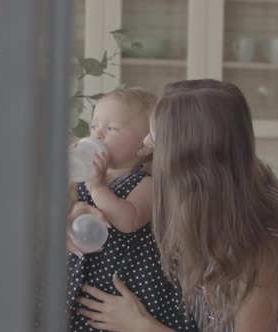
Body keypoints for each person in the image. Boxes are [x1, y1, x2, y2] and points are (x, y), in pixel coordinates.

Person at [75, 79, 278, 332]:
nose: (146, 144)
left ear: (186, 151)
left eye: (155, 134)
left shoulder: (257, 226)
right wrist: (74, 210)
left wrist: (141, 326)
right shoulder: (187, 195)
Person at [67, 87, 199, 331]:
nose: (98, 135)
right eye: (94, 126)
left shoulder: (148, 183)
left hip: (128, 289)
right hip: (83, 284)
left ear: (144, 146)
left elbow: (129, 219)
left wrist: (96, 188)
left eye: (111, 129)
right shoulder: (85, 176)